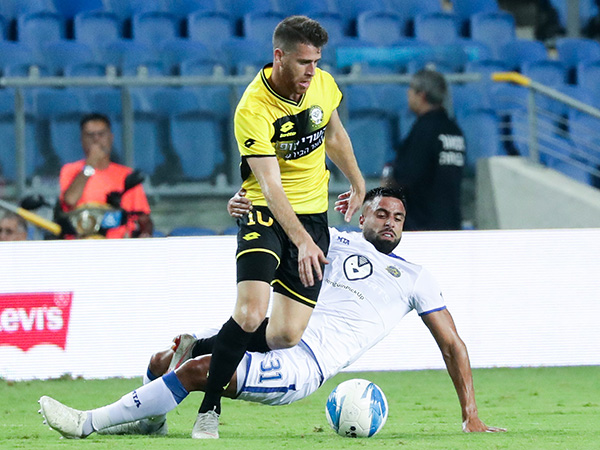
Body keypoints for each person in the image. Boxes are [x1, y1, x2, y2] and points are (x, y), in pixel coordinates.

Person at [38, 187, 506, 440]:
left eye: (398, 218)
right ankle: (151, 420)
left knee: (199, 369)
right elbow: (273, 223)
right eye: (381, 214)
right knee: (166, 357)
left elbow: (452, 345)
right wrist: (242, 207)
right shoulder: (327, 240)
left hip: (303, 363)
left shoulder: (416, 277)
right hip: (273, 329)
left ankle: (87, 423)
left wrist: (470, 414)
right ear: (360, 216)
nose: (390, 223)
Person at [189, 15, 365, 437]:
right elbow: (269, 186)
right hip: (263, 213)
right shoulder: (253, 107)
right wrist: (301, 242)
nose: (311, 71)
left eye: (317, 61)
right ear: (279, 56)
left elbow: (334, 135)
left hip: (313, 218)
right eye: (304, 62)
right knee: (251, 313)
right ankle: (209, 409)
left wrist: (358, 183)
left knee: (285, 335)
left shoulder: (322, 84)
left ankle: (198, 349)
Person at [381, 68, 465, 231]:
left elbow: (405, 175)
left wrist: (388, 181)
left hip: (423, 226)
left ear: (422, 95)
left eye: (411, 89)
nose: (408, 93)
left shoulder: (424, 130)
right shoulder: (454, 130)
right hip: (451, 222)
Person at [58, 113, 153, 238]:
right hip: (81, 243)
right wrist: (90, 166)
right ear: (82, 139)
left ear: (111, 137)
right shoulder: (70, 170)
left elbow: (143, 218)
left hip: (119, 244)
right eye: (90, 135)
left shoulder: (126, 175)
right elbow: (70, 200)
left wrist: (145, 235)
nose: (96, 139)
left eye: (101, 134)